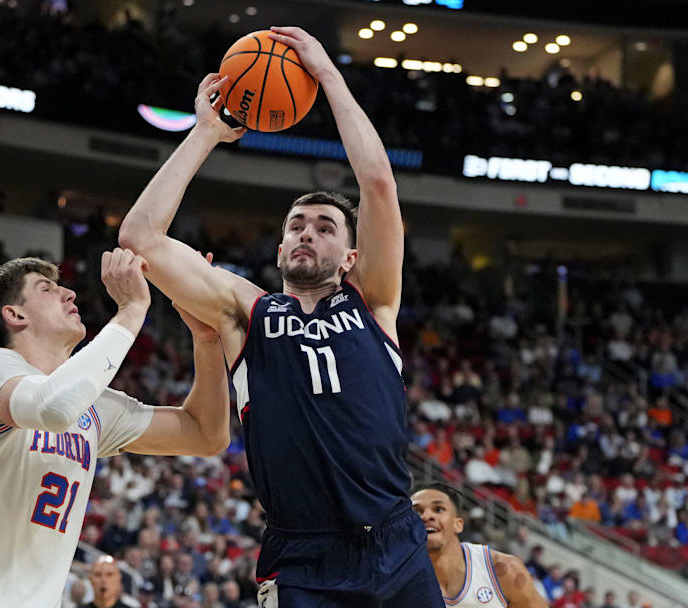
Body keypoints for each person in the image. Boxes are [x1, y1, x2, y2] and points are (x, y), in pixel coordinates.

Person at [120, 26, 437, 606]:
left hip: (397, 544)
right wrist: (206, 133)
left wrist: (329, 77)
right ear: (279, 249)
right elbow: (140, 237)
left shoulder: (375, 302)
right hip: (302, 557)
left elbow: (378, 184)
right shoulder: (246, 311)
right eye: (295, 226)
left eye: (323, 228)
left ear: (351, 256)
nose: (305, 234)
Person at [0, 253, 231, 607]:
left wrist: (206, 338)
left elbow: (206, 434)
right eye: (47, 289)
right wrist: (131, 309)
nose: (69, 294)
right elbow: (51, 407)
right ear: (15, 314)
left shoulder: (92, 406)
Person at [411, 484, 548, 608]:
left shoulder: (502, 569)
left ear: (458, 524)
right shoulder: (397, 581)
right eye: (417, 511)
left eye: (438, 509)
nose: (426, 516)